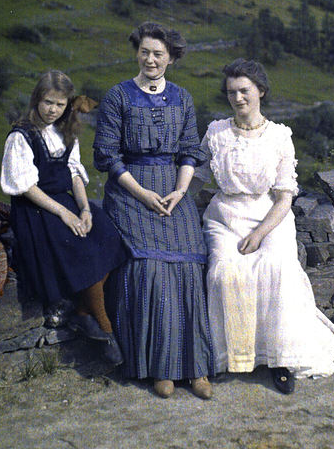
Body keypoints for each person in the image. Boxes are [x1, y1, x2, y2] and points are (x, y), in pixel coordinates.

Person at [192, 59, 334, 394]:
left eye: (245, 90)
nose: (238, 98)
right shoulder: (215, 133)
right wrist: (174, 201)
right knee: (223, 273)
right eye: (231, 92)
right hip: (225, 215)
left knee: (277, 269)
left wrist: (259, 234)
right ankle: (233, 355)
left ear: (260, 91)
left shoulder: (279, 136)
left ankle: (281, 359)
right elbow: (197, 180)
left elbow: (284, 197)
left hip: (270, 217)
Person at [93, 22, 214, 399]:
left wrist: (180, 191)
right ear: (137, 53)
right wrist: (142, 194)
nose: (150, 59)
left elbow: (190, 149)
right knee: (149, 267)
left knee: (190, 264)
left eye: (158, 54)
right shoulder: (118, 97)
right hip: (131, 190)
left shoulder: (183, 97)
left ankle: (196, 369)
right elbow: (107, 156)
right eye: (145, 51)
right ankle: (158, 368)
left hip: (173, 191)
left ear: (171, 59)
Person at [0, 70, 127, 365]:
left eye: (59, 104)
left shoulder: (65, 132)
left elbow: (74, 174)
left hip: (66, 203)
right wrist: (65, 214)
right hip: (35, 209)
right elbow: (26, 187)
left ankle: (83, 311)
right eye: (47, 103)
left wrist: (83, 209)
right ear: (36, 100)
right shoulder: (22, 135)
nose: (52, 110)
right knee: (80, 246)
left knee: (107, 235)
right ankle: (106, 328)